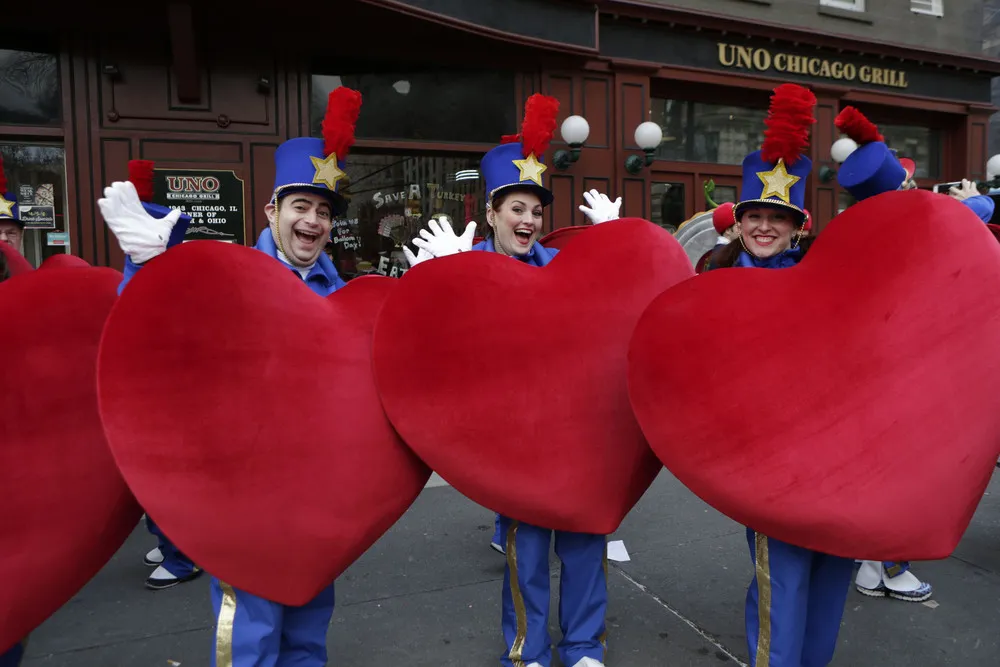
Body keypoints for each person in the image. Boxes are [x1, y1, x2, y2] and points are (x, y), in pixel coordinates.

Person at [99, 86, 362, 667]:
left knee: (309, 628)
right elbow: (153, 341)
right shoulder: (230, 277)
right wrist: (144, 272)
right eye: (301, 206)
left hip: (319, 494)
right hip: (243, 495)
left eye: (323, 211)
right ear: (272, 210)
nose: (313, 221)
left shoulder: (343, 294)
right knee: (252, 635)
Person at [405, 94, 618, 667]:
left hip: (573, 433)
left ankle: (583, 647)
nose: (528, 220)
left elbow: (614, 325)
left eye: (535, 210)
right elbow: (436, 356)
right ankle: (526, 650)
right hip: (510, 438)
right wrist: (440, 285)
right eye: (516, 208)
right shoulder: (463, 262)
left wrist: (618, 250)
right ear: (493, 212)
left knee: (584, 544)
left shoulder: (568, 270)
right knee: (525, 555)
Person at [706, 84, 856, 667]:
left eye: (778, 218)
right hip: (768, 460)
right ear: (740, 222)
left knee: (832, 574)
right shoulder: (714, 284)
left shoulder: (829, 278)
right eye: (756, 217)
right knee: (783, 580)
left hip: (840, 454)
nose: (765, 228)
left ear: (798, 226)